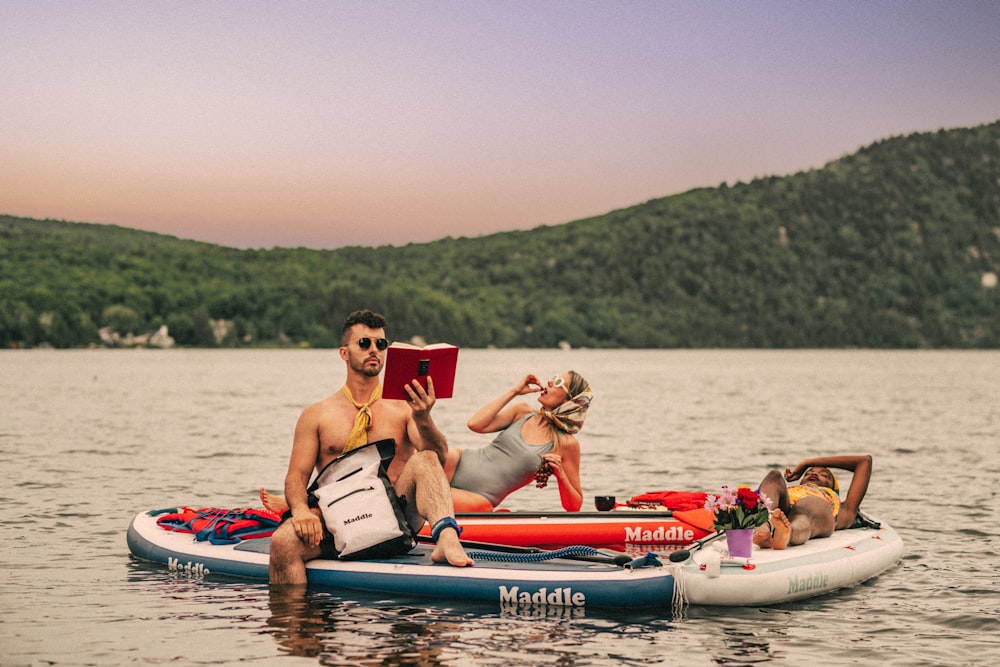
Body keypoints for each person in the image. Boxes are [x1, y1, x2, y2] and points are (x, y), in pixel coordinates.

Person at [268, 309, 473, 587]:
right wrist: (302, 512)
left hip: (396, 518)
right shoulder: (316, 415)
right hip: (339, 518)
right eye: (364, 343)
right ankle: (298, 622)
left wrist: (423, 417)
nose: (374, 349)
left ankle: (447, 539)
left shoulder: (403, 408)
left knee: (423, 458)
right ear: (344, 353)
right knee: (283, 542)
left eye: (381, 344)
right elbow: (296, 477)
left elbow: (438, 456)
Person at [443, 371, 592, 512]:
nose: (550, 382)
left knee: (425, 493)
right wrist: (515, 391)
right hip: (456, 462)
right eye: (553, 377)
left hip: (479, 499)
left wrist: (561, 474)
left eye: (558, 382)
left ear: (570, 400)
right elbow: (475, 424)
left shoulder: (566, 444)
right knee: (426, 466)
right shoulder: (522, 412)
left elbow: (574, 506)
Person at [752, 455, 872, 550]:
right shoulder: (792, 491)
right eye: (808, 473)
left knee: (806, 505)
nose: (814, 474)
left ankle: (787, 533)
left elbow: (864, 461)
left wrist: (807, 463)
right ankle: (763, 528)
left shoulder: (844, 508)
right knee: (774, 476)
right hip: (781, 510)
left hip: (811, 514)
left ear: (833, 488)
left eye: (824, 475)